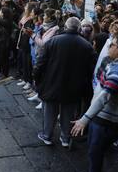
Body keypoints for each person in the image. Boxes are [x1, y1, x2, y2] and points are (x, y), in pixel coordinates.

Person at [70, 34, 118, 172]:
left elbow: (104, 96)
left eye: (112, 45)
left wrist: (84, 119)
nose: (108, 47)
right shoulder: (113, 61)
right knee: (94, 149)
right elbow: (100, 80)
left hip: (108, 120)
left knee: (95, 150)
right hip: (101, 116)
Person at [34, 17, 95, 147]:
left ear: (65, 27)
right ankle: (66, 138)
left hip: (52, 83)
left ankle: (47, 135)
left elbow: (40, 63)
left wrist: (37, 80)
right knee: (68, 113)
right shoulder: (87, 45)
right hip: (74, 86)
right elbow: (91, 70)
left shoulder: (53, 41)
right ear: (79, 29)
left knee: (49, 112)